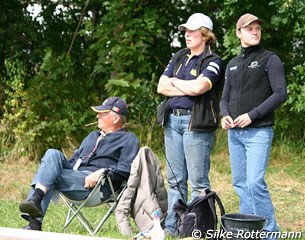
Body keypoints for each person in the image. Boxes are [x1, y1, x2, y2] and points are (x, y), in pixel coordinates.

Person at [19, 96, 140, 231]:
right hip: (75, 175)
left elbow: (125, 169)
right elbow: (73, 160)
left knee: (51, 177)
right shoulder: (93, 136)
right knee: (52, 153)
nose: (97, 117)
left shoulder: (128, 139)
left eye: (102, 113)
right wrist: (53, 167)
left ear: (116, 118)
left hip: (96, 186)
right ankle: (36, 199)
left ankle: (34, 221)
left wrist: (103, 172)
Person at [220, 13, 287, 238]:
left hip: (259, 132)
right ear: (238, 33)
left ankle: (270, 232)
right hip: (235, 134)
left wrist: (252, 115)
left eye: (257, 28)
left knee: (255, 182)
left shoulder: (270, 59)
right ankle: (248, 231)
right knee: (240, 183)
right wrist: (225, 115)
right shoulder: (232, 64)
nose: (255, 31)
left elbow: (280, 93)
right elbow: (224, 99)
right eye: (249, 29)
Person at [157, 13, 223, 236]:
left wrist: (175, 82)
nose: (187, 35)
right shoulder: (179, 56)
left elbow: (199, 89)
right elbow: (161, 86)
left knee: (198, 182)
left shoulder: (213, 61)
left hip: (196, 125)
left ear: (205, 35)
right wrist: (183, 84)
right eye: (185, 31)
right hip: (172, 120)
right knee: (175, 179)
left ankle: (200, 228)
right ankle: (173, 227)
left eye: (192, 31)